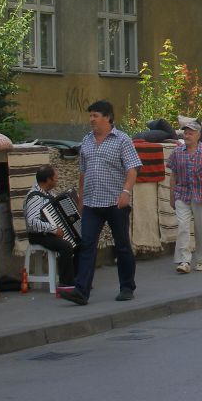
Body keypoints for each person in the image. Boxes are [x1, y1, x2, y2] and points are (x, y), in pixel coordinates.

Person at [58, 100, 142, 306]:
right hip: (92, 203)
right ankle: (81, 291)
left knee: (121, 245)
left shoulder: (122, 140)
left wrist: (126, 191)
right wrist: (80, 198)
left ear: (108, 117)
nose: (91, 120)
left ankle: (127, 287)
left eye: (95, 116)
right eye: (90, 116)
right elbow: (83, 171)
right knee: (86, 244)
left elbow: (133, 168)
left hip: (115, 202)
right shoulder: (86, 141)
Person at [168, 120, 202, 273]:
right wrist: (172, 196)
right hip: (182, 193)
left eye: (191, 133)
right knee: (183, 226)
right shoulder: (178, 152)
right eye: (185, 133)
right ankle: (184, 261)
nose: (187, 135)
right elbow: (173, 175)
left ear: (198, 135)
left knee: (201, 229)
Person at [24, 164, 78, 290]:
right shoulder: (35, 197)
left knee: (78, 241)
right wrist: (53, 229)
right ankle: (65, 284)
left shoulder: (49, 194)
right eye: (55, 177)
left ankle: (77, 278)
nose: (57, 180)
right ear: (48, 180)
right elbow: (32, 222)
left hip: (49, 234)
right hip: (38, 236)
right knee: (66, 246)